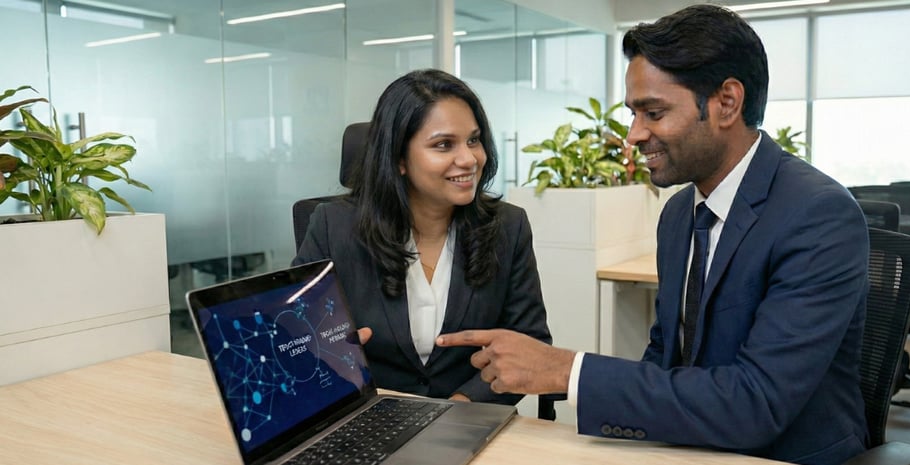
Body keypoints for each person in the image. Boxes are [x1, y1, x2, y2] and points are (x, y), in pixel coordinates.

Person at [436, 5, 870, 465]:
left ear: (727, 102)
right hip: (689, 448)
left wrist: (567, 371)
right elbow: (666, 355)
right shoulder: (681, 212)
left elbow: (756, 403)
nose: (634, 134)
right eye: (633, 113)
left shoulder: (818, 214)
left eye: (654, 112)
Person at [294, 68, 551, 406]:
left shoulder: (508, 226)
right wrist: (327, 351)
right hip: (369, 418)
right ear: (399, 158)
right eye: (444, 145)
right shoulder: (334, 226)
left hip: (470, 420)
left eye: (473, 140)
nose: (469, 159)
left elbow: (529, 340)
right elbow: (294, 338)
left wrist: (461, 405)